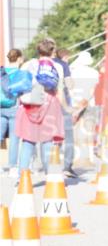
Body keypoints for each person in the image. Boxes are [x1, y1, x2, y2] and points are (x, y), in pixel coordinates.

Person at [17, 38, 68, 174]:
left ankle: (21, 177)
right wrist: (65, 109)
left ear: (38, 50)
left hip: (31, 103)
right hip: (50, 103)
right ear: (53, 51)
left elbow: (20, 85)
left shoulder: (28, 64)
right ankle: (50, 176)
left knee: (28, 142)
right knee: (47, 141)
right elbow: (59, 91)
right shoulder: (58, 67)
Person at [54, 48, 79, 177]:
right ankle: (67, 167)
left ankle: (52, 164)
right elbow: (69, 85)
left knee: (52, 135)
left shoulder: (45, 63)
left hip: (48, 103)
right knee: (68, 135)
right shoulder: (63, 65)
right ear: (65, 57)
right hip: (63, 103)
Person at [2, 49, 24, 177]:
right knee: (14, 139)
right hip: (14, 108)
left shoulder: (1, 71)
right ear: (19, 59)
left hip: (0, 108)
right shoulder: (20, 73)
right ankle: (12, 168)